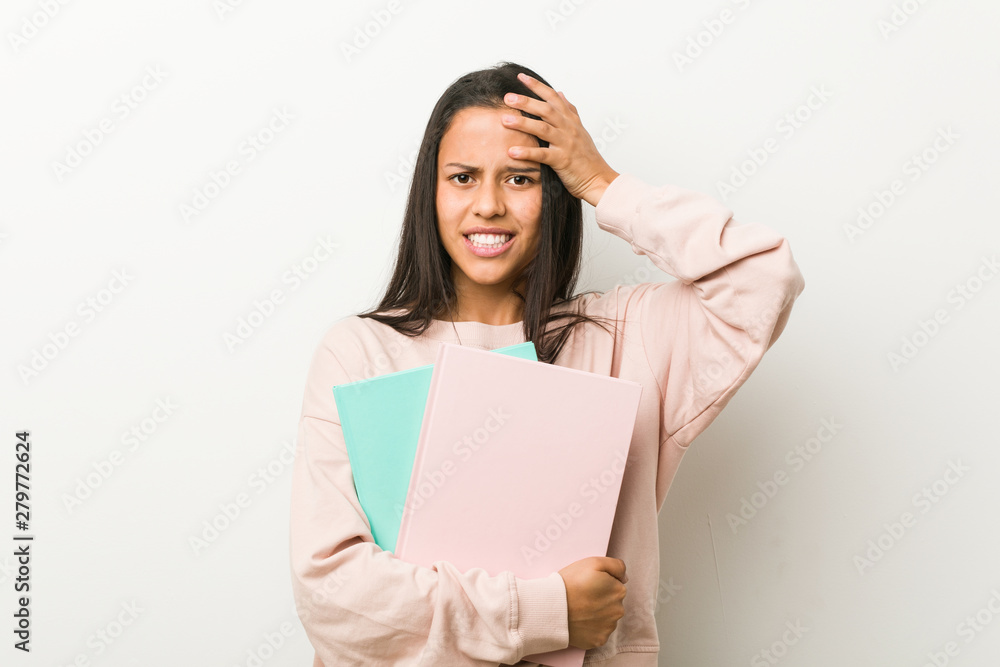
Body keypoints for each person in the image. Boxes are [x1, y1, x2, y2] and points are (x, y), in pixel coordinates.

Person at [289, 61, 805, 666]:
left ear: (555, 192)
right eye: (462, 177)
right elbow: (334, 597)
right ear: (430, 193)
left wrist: (603, 183)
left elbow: (765, 278)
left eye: (520, 179)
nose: (487, 205)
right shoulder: (360, 352)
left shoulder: (626, 337)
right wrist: (547, 611)